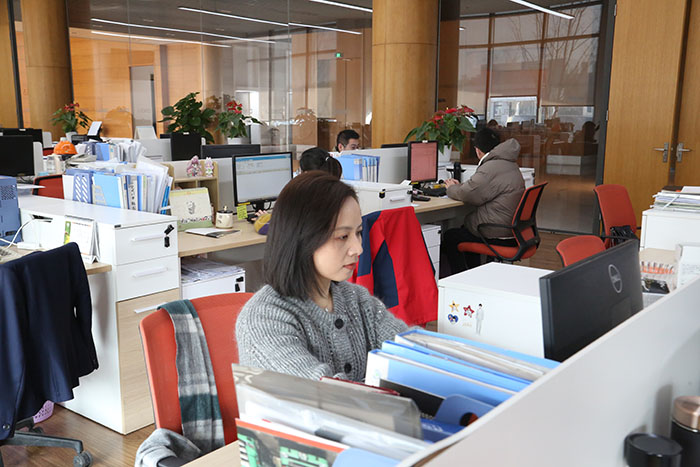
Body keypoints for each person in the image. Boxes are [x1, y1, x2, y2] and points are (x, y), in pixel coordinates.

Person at [236, 172, 408, 381]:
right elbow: (321, 392)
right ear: (303, 238)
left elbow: (409, 354)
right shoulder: (263, 319)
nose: (358, 248)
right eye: (342, 236)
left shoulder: (358, 300)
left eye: (358, 232)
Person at [441, 128, 525, 274]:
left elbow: (468, 194)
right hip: (513, 231)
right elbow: (477, 189)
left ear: (477, 150)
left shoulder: (490, 167)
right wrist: (461, 187)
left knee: (451, 236)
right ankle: (474, 274)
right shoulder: (510, 164)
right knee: (465, 231)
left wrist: (450, 188)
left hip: (497, 232)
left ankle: (464, 278)